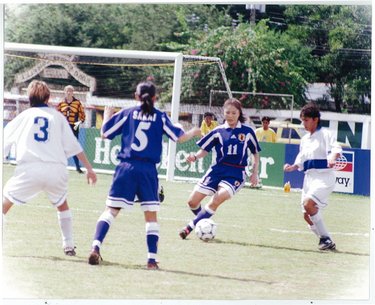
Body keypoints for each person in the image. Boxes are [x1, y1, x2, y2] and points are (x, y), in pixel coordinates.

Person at [88, 81, 201, 269]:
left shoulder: (128, 113)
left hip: (126, 167)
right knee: (150, 216)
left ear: (135, 97)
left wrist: (107, 115)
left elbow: (104, 133)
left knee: (111, 210)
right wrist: (194, 131)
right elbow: (180, 138)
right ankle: (151, 260)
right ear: (155, 98)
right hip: (148, 170)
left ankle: (95, 247)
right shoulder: (160, 117)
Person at [3, 80, 97, 256]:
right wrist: (89, 169)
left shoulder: (23, 117)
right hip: (56, 170)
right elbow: (75, 146)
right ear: (48, 98)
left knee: (4, 204)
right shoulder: (57, 117)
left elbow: (4, 142)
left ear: (29, 98)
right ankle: (68, 245)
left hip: (29, 169)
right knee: (62, 204)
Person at [179, 98, 261, 239]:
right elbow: (204, 150)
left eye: (233, 113)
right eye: (227, 112)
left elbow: (255, 153)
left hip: (236, 173)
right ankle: (204, 222)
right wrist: (195, 157)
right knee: (192, 202)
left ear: (239, 113)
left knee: (217, 199)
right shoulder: (218, 131)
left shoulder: (247, 132)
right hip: (217, 170)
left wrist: (255, 173)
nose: (230, 115)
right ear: (223, 113)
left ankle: (189, 227)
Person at [283, 102, 342, 251]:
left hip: (323, 177)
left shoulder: (325, 134)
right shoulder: (304, 139)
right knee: (306, 216)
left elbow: (336, 148)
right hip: (309, 179)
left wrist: (333, 157)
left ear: (315, 119)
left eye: (306, 120)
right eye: (302, 120)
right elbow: (301, 159)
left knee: (308, 204)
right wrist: (293, 167)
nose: (303, 123)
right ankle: (326, 241)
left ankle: (326, 238)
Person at [57, 85, 86, 173]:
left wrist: (78, 124)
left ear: (73, 92)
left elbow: (83, 117)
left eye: (70, 91)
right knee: (60, 146)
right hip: (63, 127)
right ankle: (59, 166)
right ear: (64, 92)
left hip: (73, 127)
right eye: (67, 91)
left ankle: (77, 167)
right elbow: (57, 115)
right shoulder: (61, 103)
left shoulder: (77, 103)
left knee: (74, 147)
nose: (69, 92)